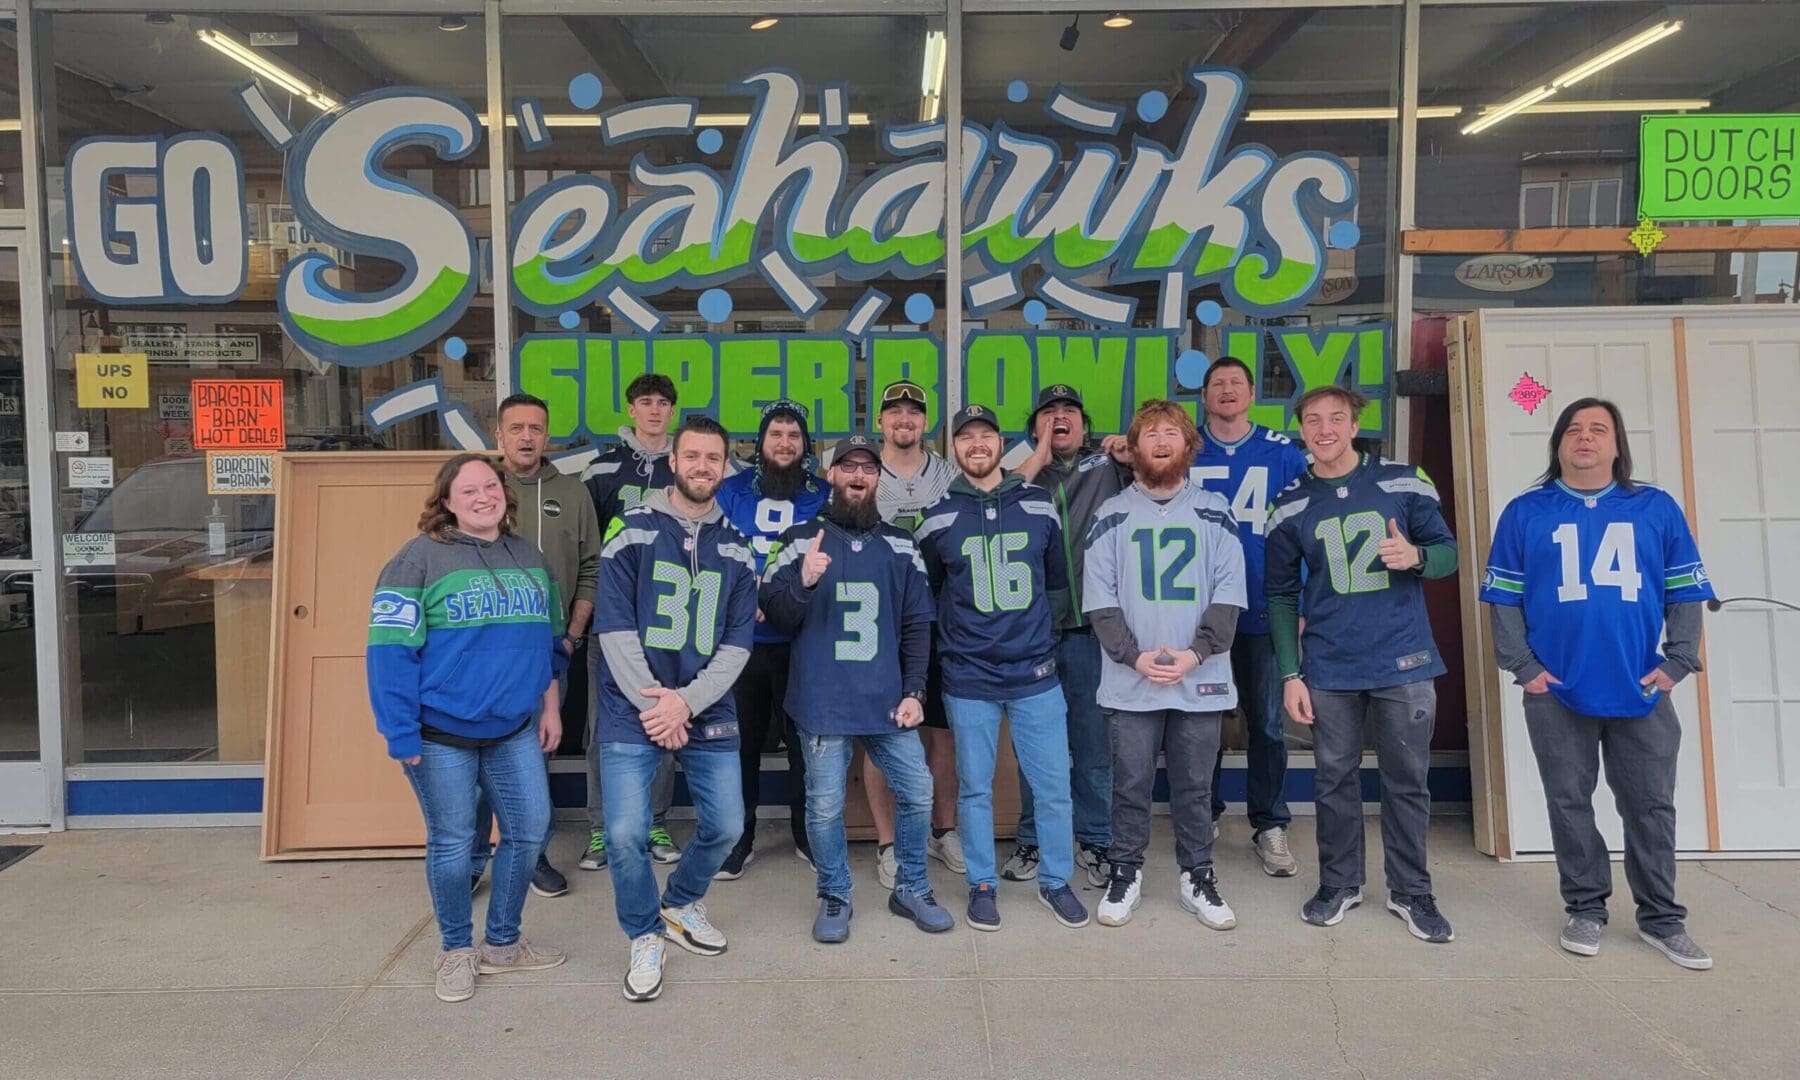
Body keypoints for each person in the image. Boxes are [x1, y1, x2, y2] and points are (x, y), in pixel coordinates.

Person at [1481, 398, 1715, 970]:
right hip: (1558, 692)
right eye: (1573, 429)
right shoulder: (1525, 511)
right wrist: (1525, 669)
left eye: (1598, 429)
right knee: (1569, 803)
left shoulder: (1654, 508)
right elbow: (1503, 599)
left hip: (1641, 690)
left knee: (1651, 806)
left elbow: (1686, 589)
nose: (1584, 438)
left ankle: (1662, 918)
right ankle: (1585, 907)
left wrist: (1678, 662)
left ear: (1616, 445)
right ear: (1558, 443)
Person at [366, 453, 568, 1004]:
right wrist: (400, 733)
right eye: (469, 489)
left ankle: (502, 943)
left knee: (529, 830)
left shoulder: (529, 557)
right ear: (447, 501)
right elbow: (388, 654)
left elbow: (549, 645)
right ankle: (456, 949)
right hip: (438, 736)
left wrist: (549, 708)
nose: (484, 496)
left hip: (513, 729)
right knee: (454, 843)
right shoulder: (416, 562)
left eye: (492, 486)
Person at [1266, 385, 1458, 944]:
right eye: (1312, 420)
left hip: (1403, 659)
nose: (1324, 429)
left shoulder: (1403, 480)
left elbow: (1449, 553)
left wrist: (1417, 557)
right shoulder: (1290, 502)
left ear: (1355, 425)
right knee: (1333, 781)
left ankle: (1411, 890)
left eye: (1336, 418)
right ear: (1300, 430)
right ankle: (1340, 882)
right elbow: (1279, 596)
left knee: (1406, 781)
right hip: (1329, 663)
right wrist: (1289, 672)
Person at [761, 432, 956, 942]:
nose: (858, 475)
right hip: (822, 703)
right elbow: (775, 618)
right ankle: (835, 892)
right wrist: (802, 580)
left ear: (877, 478)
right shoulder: (800, 538)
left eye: (868, 468)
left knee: (917, 790)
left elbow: (918, 624)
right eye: (848, 467)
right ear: (832, 474)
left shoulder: (899, 543)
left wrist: (915, 691)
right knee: (823, 807)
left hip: (886, 702)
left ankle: (911, 885)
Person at [592, 415, 757, 1002]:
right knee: (625, 832)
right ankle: (644, 933)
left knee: (726, 825)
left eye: (714, 458)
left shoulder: (736, 548)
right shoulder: (633, 527)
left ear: (724, 466)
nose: (703, 467)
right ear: (674, 460)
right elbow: (611, 626)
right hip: (631, 708)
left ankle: (682, 902)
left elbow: (739, 644)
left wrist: (685, 702)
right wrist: (657, 705)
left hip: (704, 707)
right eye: (692, 456)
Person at [917, 404, 1088, 931]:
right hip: (970, 677)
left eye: (985, 435)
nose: (976, 444)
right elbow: (935, 596)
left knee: (1054, 783)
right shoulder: (936, 516)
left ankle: (1056, 881)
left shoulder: (1038, 504)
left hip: (1034, 673)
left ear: (999, 443)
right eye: (965, 437)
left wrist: (1039, 643)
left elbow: (1057, 584)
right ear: (955, 449)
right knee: (974, 786)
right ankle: (982, 883)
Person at [1084, 400, 1246, 930]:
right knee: (1129, 783)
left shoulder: (1216, 509)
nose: (1160, 441)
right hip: (1132, 678)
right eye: (1149, 433)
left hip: (1199, 675)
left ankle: (1196, 876)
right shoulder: (1110, 514)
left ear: (1188, 445)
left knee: (1195, 786)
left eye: (1171, 432)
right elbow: (1099, 599)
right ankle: (1125, 871)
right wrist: (1133, 656)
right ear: (1133, 449)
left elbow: (1229, 590)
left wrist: (1196, 652)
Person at [468, 393, 602, 900]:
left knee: (533, 758)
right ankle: (475, 857)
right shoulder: (477, 489)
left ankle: (531, 854)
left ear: (549, 437)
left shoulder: (572, 493)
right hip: (481, 656)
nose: (527, 437)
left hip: (549, 654)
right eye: (516, 427)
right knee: (478, 758)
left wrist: (571, 635)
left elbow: (592, 567)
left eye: (537, 429)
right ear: (498, 435)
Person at [1190, 358, 1310, 876]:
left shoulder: (1283, 453)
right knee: (1202, 719)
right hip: (1198, 613)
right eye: (1217, 384)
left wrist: (1300, 605)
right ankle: (1204, 813)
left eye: (1236, 382)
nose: (1227, 391)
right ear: (1204, 396)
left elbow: (1304, 528)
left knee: (1265, 721)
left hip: (1265, 607)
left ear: (1253, 392)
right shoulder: (1186, 446)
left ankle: (1269, 823)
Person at [1009, 384, 1132, 885]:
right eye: (1049, 413)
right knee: (1036, 747)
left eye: (1070, 412)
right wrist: (1037, 455)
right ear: (1034, 425)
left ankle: (1097, 840)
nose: (1060, 418)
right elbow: (995, 494)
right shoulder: (1020, 475)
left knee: (1092, 745)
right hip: (1035, 631)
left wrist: (1132, 449)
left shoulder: (1107, 466)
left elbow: (1171, 466)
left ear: (1084, 423)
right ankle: (1032, 840)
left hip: (1090, 631)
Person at [713, 400, 829, 877]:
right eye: (776, 433)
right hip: (743, 643)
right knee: (738, 746)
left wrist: (785, 594)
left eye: (793, 435)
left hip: (805, 642)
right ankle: (739, 836)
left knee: (805, 744)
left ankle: (806, 831)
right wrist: (744, 597)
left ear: (805, 446)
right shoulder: (729, 491)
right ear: (760, 442)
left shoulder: (824, 493)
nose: (784, 442)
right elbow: (714, 553)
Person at [581, 373, 682, 870]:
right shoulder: (602, 469)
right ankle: (601, 828)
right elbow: (588, 546)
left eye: (663, 403)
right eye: (646, 402)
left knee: (662, 722)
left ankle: (655, 819)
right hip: (613, 618)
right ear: (631, 408)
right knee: (604, 727)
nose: (655, 411)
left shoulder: (686, 466)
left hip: (666, 621)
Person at [865, 380, 965, 886]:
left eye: (914, 413)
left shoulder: (949, 473)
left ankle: (942, 829)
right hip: (878, 624)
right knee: (884, 734)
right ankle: (887, 842)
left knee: (941, 734)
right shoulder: (861, 471)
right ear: (879, 420)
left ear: (926, 423)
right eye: (894, 412)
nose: (904, 420)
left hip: (939, 618)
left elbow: (999, 487)